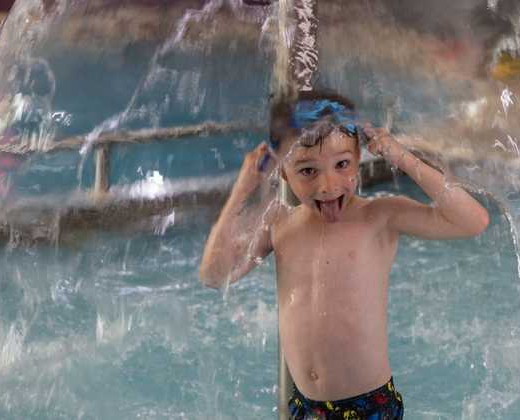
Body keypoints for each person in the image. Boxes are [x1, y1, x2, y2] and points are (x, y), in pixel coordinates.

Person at [199, 90, 490, 419]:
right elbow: (214, 276)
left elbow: (473, 221)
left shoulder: (379, 216)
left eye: (342, 165)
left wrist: (401, 156)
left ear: (358, 159)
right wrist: (243, 189)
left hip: (369, 407)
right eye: (308, 171)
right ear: (282, 171)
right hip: (305, 408)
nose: (328, 184)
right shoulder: (278, 223)